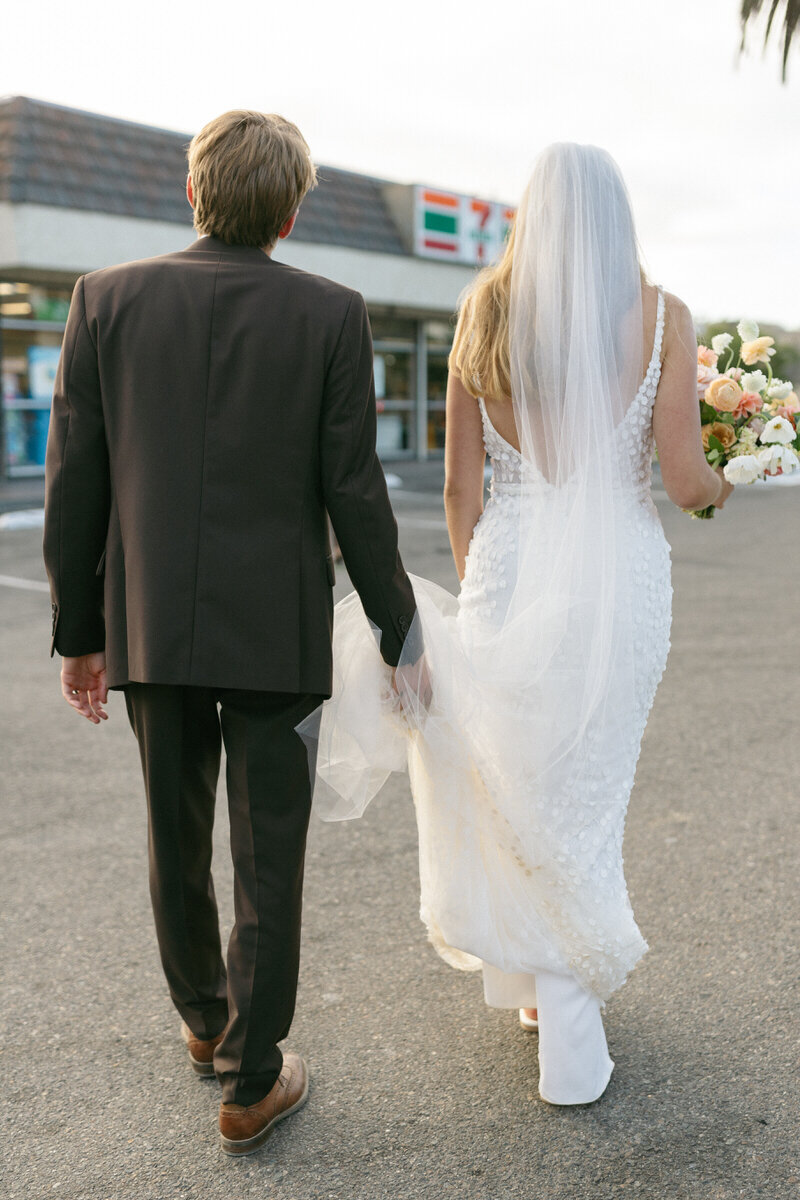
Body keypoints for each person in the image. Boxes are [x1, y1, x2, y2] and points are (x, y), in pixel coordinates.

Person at [305, 143, 733, 1106]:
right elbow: (679, 479)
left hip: (506, 567)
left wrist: (486, 586)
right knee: (585, 796)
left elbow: (463, 488)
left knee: (516, 782)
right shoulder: (661, 317)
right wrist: (728, 475)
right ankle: (570, 1051)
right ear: (616, 219)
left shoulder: (482, 311)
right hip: (620, 585)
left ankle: (534, 984)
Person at [43, 109, 416, 1156]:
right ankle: (252, 1080)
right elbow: (354, 489)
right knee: (266, 857)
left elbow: (75, 484)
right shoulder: (332, 314)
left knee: (172, 832)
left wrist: (80, 632)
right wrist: (399, 624)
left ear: (192, 191)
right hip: (273, 628)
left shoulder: (104, 300)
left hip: (151, 623)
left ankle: (205, 1023)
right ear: (291, 213)